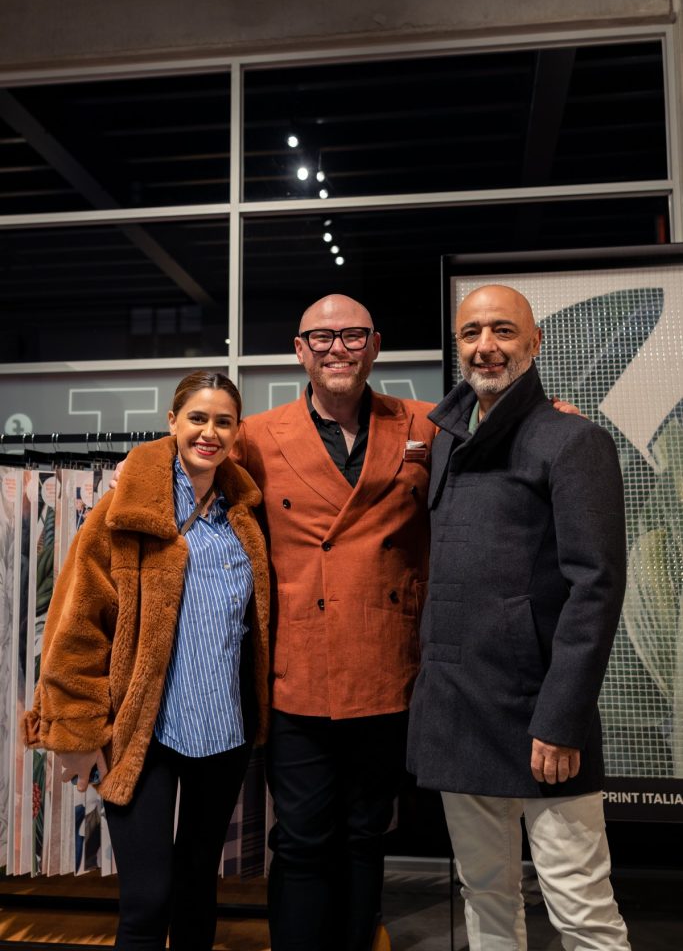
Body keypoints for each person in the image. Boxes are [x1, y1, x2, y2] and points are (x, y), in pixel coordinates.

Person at [407, 285, 631, 951]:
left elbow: (595, 588)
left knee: (581, 911)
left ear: (534, 342)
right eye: (471, 332)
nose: (486, 346)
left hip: (539, 718)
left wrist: (560, 720)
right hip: (458, 710)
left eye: (503, 331)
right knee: (485, 896)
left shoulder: (573, 440)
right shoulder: (446, 441)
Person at [24, 370, 270, 951]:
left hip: (223, 730)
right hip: (144, 732)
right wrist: (77, 730)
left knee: (197, 888)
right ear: (172, 421)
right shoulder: (125, 510)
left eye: (224, 422)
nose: (209, 432)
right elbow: (76, 625)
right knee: (147, 899)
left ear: (237, 432)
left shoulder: (244, 515)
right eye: (198, 418)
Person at [232, 293, 437, 951]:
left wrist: (552, 413)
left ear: (375, 345)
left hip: (385, 665)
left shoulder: (422, 422)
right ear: (300, 351)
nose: (336, 348)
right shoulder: (257, 435)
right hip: (298, 670)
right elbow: (191, 463)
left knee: (365, 833)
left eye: (351, 335)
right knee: (300, 839)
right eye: (321, 338)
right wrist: (142, 468)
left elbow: (499, 431)